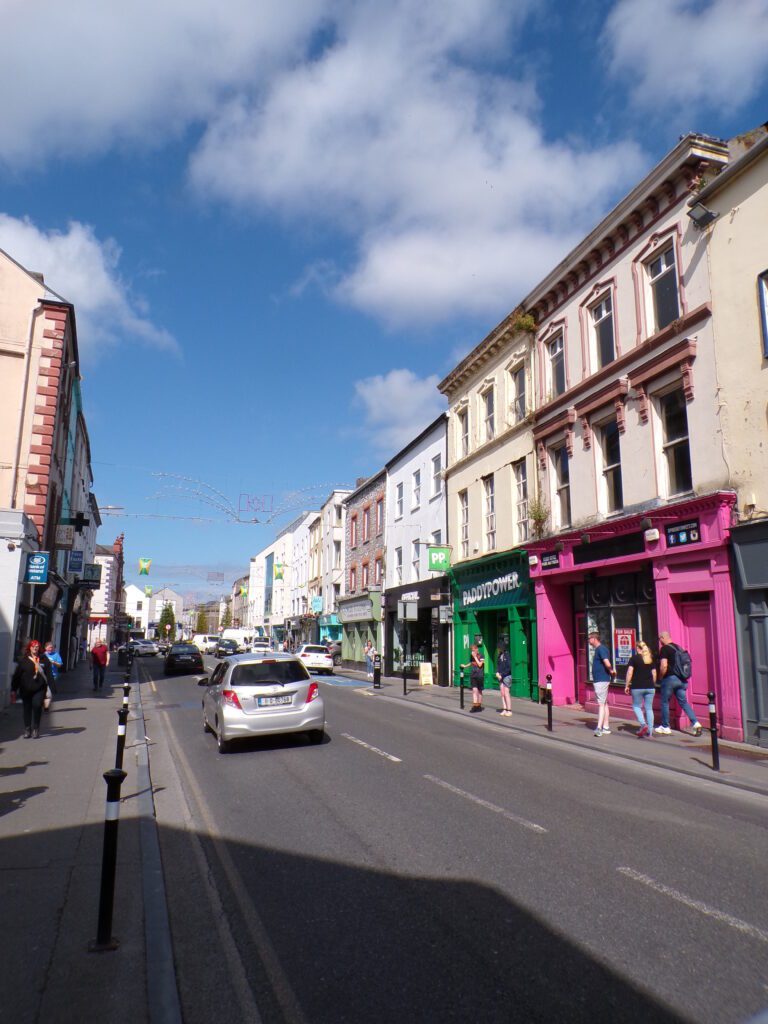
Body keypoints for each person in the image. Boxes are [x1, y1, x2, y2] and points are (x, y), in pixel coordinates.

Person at [655, 631, 702, 736]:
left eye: (660, 639)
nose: (659, 641)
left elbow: (663, 666)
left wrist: (661, 677)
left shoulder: (665, 649)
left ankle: (665, 726)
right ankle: (696, 723)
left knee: (664, 702)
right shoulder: (679, 648)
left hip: (670, 679)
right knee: (683, 702)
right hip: (682, 679)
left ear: (663, 638)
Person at [11, 640, 50, 738]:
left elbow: (49, 673)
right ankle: (27, 729)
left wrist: (52, 687)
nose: (35, 648)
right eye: (33, 646)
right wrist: (13, 689)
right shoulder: (24, 660)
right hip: (26, 689)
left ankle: (36, 728)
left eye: (37, 646)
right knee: (27, 708)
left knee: (37, 706)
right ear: (30, 648)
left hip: (39, 688)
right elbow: (17, 676)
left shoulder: (43, 659)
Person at [624, 640, 657, 737]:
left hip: (637, 686)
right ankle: (650, 732)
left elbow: (630, 672)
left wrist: (627, 685)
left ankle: (643, 724)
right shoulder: (650, 659)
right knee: (649, 708)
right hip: (650, 687)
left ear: (638, 648)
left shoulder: (634, 658)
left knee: (636, 706)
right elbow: (654, 673)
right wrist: (652, 683)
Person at [588, 631, 616, 736]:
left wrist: (611, 670)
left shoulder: (601, 649)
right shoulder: (600, 649)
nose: (588, 640)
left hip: (601, 680)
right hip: (601, 679)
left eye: (589, 638)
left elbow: (606, 661)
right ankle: (606, 727)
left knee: (600, 704)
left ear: (594, 639)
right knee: (604, 704)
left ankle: (599, 728)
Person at [461, 644, 485, 712]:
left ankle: (479, 705)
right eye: (472, 651)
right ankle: (475, 705)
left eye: (474, 650)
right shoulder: (472, 656)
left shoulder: (482, 655)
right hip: (473, 674)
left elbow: (480, 664)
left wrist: (475, 657)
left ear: (477, 649)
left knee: (479, 691)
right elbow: (471, 663)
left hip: (480, 675)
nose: (473, 652)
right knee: (474, 690)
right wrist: (465, 666)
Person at [495, 643, 513, 717]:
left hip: (506, 676)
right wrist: (497, 672)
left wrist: (501, 674)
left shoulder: (507, 655)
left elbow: (509, 667)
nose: (498, 649)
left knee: (506, 693)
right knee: (502, 693)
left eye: (499, 648)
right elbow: (498, 665)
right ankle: (504, 709)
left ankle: (509, 710)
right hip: (501, 676)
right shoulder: (499, 655)